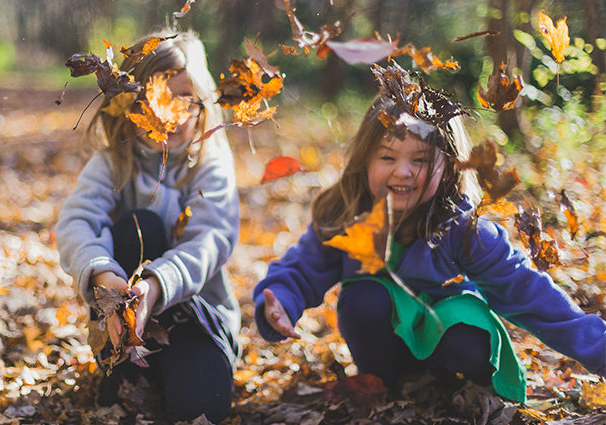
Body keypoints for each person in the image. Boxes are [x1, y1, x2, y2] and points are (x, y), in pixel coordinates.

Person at [253, 63, 606, 403]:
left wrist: (600, 350)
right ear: (365, 160)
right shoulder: (347, 213)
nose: (402, 172)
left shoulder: (464, 228)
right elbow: (303, 267)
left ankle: (455, 389)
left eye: (419, 160)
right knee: (363, 298)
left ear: (449, 167)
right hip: (384, 344)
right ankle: (386, 384)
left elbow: (529, 294)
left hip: (452, 341)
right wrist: (283, 300)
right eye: (387, 158)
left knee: (464, 330)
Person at [55, 30, 240, 423]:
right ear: (129, 103)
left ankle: (184, 372)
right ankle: (123, 368)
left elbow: (211, 239)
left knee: (203, 408)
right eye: (153, 98)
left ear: (201, 103)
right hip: (122, 325)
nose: (167, 114)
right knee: (139, 225)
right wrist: (103, 275)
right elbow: (77, 220)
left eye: (182, 100)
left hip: (195, 321)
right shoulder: (114, 162)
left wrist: (155, 287)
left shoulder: (210, 163)